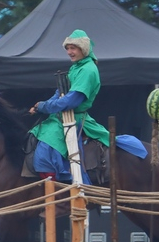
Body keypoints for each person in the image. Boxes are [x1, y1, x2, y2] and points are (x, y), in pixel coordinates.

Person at [28, 29, 110, 183]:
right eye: (67, 48)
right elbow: (60, 93)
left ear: (83, 49)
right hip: (62, 116)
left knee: (47, 145)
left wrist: (43, 107)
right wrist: (41, 106)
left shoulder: (88, 69)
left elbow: (70, 101)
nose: (69, 52)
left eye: (73, 48)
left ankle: (59, 187)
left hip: (75, 118)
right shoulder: (76, 67)